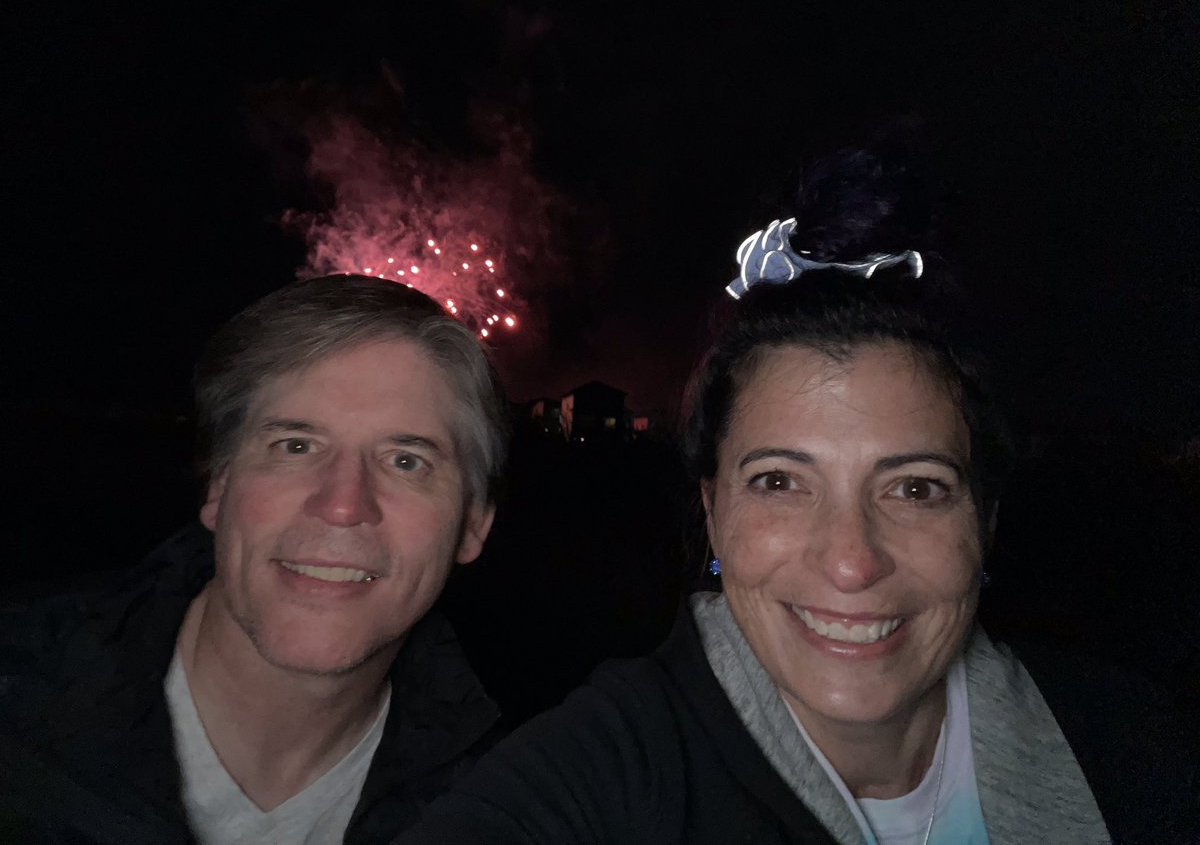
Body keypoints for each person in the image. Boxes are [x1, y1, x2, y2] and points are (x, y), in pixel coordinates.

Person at [395, 147, 1200, 844]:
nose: (851, 561)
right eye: (779, 482)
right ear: (711, 509)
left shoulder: (1134, 743)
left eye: (916, 488)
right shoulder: (607, 769)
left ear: (983, 519)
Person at [0, 274, 508, 843]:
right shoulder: (19, 699)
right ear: (219, 487)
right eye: (296, 446)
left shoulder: (512, 802)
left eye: (406, 461)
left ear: (472, 525)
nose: (342, 506)